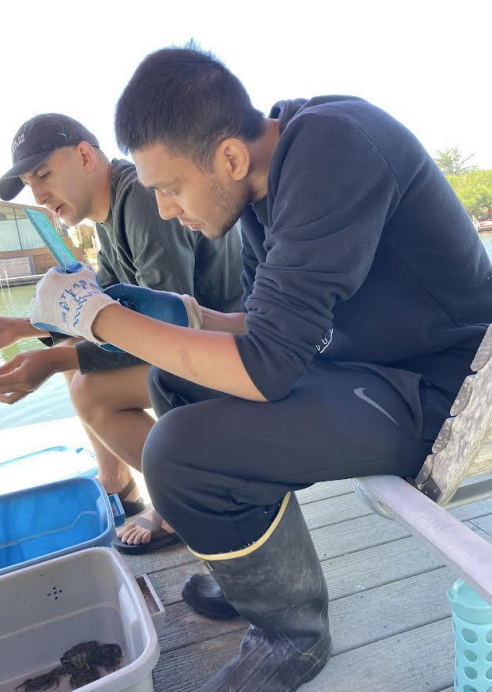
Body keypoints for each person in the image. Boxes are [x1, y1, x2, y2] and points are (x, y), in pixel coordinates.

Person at [29, 46, 492, 692]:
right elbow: (261, 326)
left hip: (447, 393)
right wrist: (179, 312)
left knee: (179, 453)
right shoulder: (258, 186)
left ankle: (292, 636)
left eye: (168, 187)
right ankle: (258, 573)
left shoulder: (335, 148)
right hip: (366, 365)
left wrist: (96, 319)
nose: (164, 209)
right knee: (172, 383)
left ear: (229, 157)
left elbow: (267, 367)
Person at [0, 112, 243, 554]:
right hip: (197, 349)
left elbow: (168, 329)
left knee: (89, 391)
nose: (38, 194)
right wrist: (22, 327)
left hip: (228, 354)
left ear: (85, 155)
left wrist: (54, 359)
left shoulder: (143, 202)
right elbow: (103, 314)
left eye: (44, 174)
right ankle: (121, 484)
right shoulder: (110, 215)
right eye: (29, 185)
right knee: (77, 362)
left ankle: (196, 502)